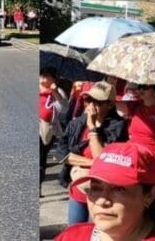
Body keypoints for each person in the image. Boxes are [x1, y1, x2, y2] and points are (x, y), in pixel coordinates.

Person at [55, 142, 155, 241]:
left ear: (149, 195)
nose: (102, 201)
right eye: (96, 188)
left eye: (118, 189)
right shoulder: (72, 237)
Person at [55, 81, 129, 225]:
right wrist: (90, 163)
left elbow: (102, 159)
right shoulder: (76, 124)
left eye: (97, 102)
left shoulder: (118, 127)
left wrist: (92, 128)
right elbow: (61, 154)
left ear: (110, 105)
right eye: (88, 100)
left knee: (96, 233)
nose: (91, 105)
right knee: (75, 231)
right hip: (78, 190)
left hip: (103, 194)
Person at [120, 84, 155, 221]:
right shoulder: (135, 106)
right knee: (134, 200)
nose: (141, 90)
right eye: (140, 87)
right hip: (134, 161)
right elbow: (117, 104)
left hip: (154, 163)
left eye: (145, 88)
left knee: (153, 202)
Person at [39, 67, 69, 189]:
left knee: (40, 158)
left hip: (47, 130)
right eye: (41, 75)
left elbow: (64, 109)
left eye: (46, 75)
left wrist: (55, 92)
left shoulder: (58, 92)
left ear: (53, 79)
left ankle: (38, 186)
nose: (42, 78)